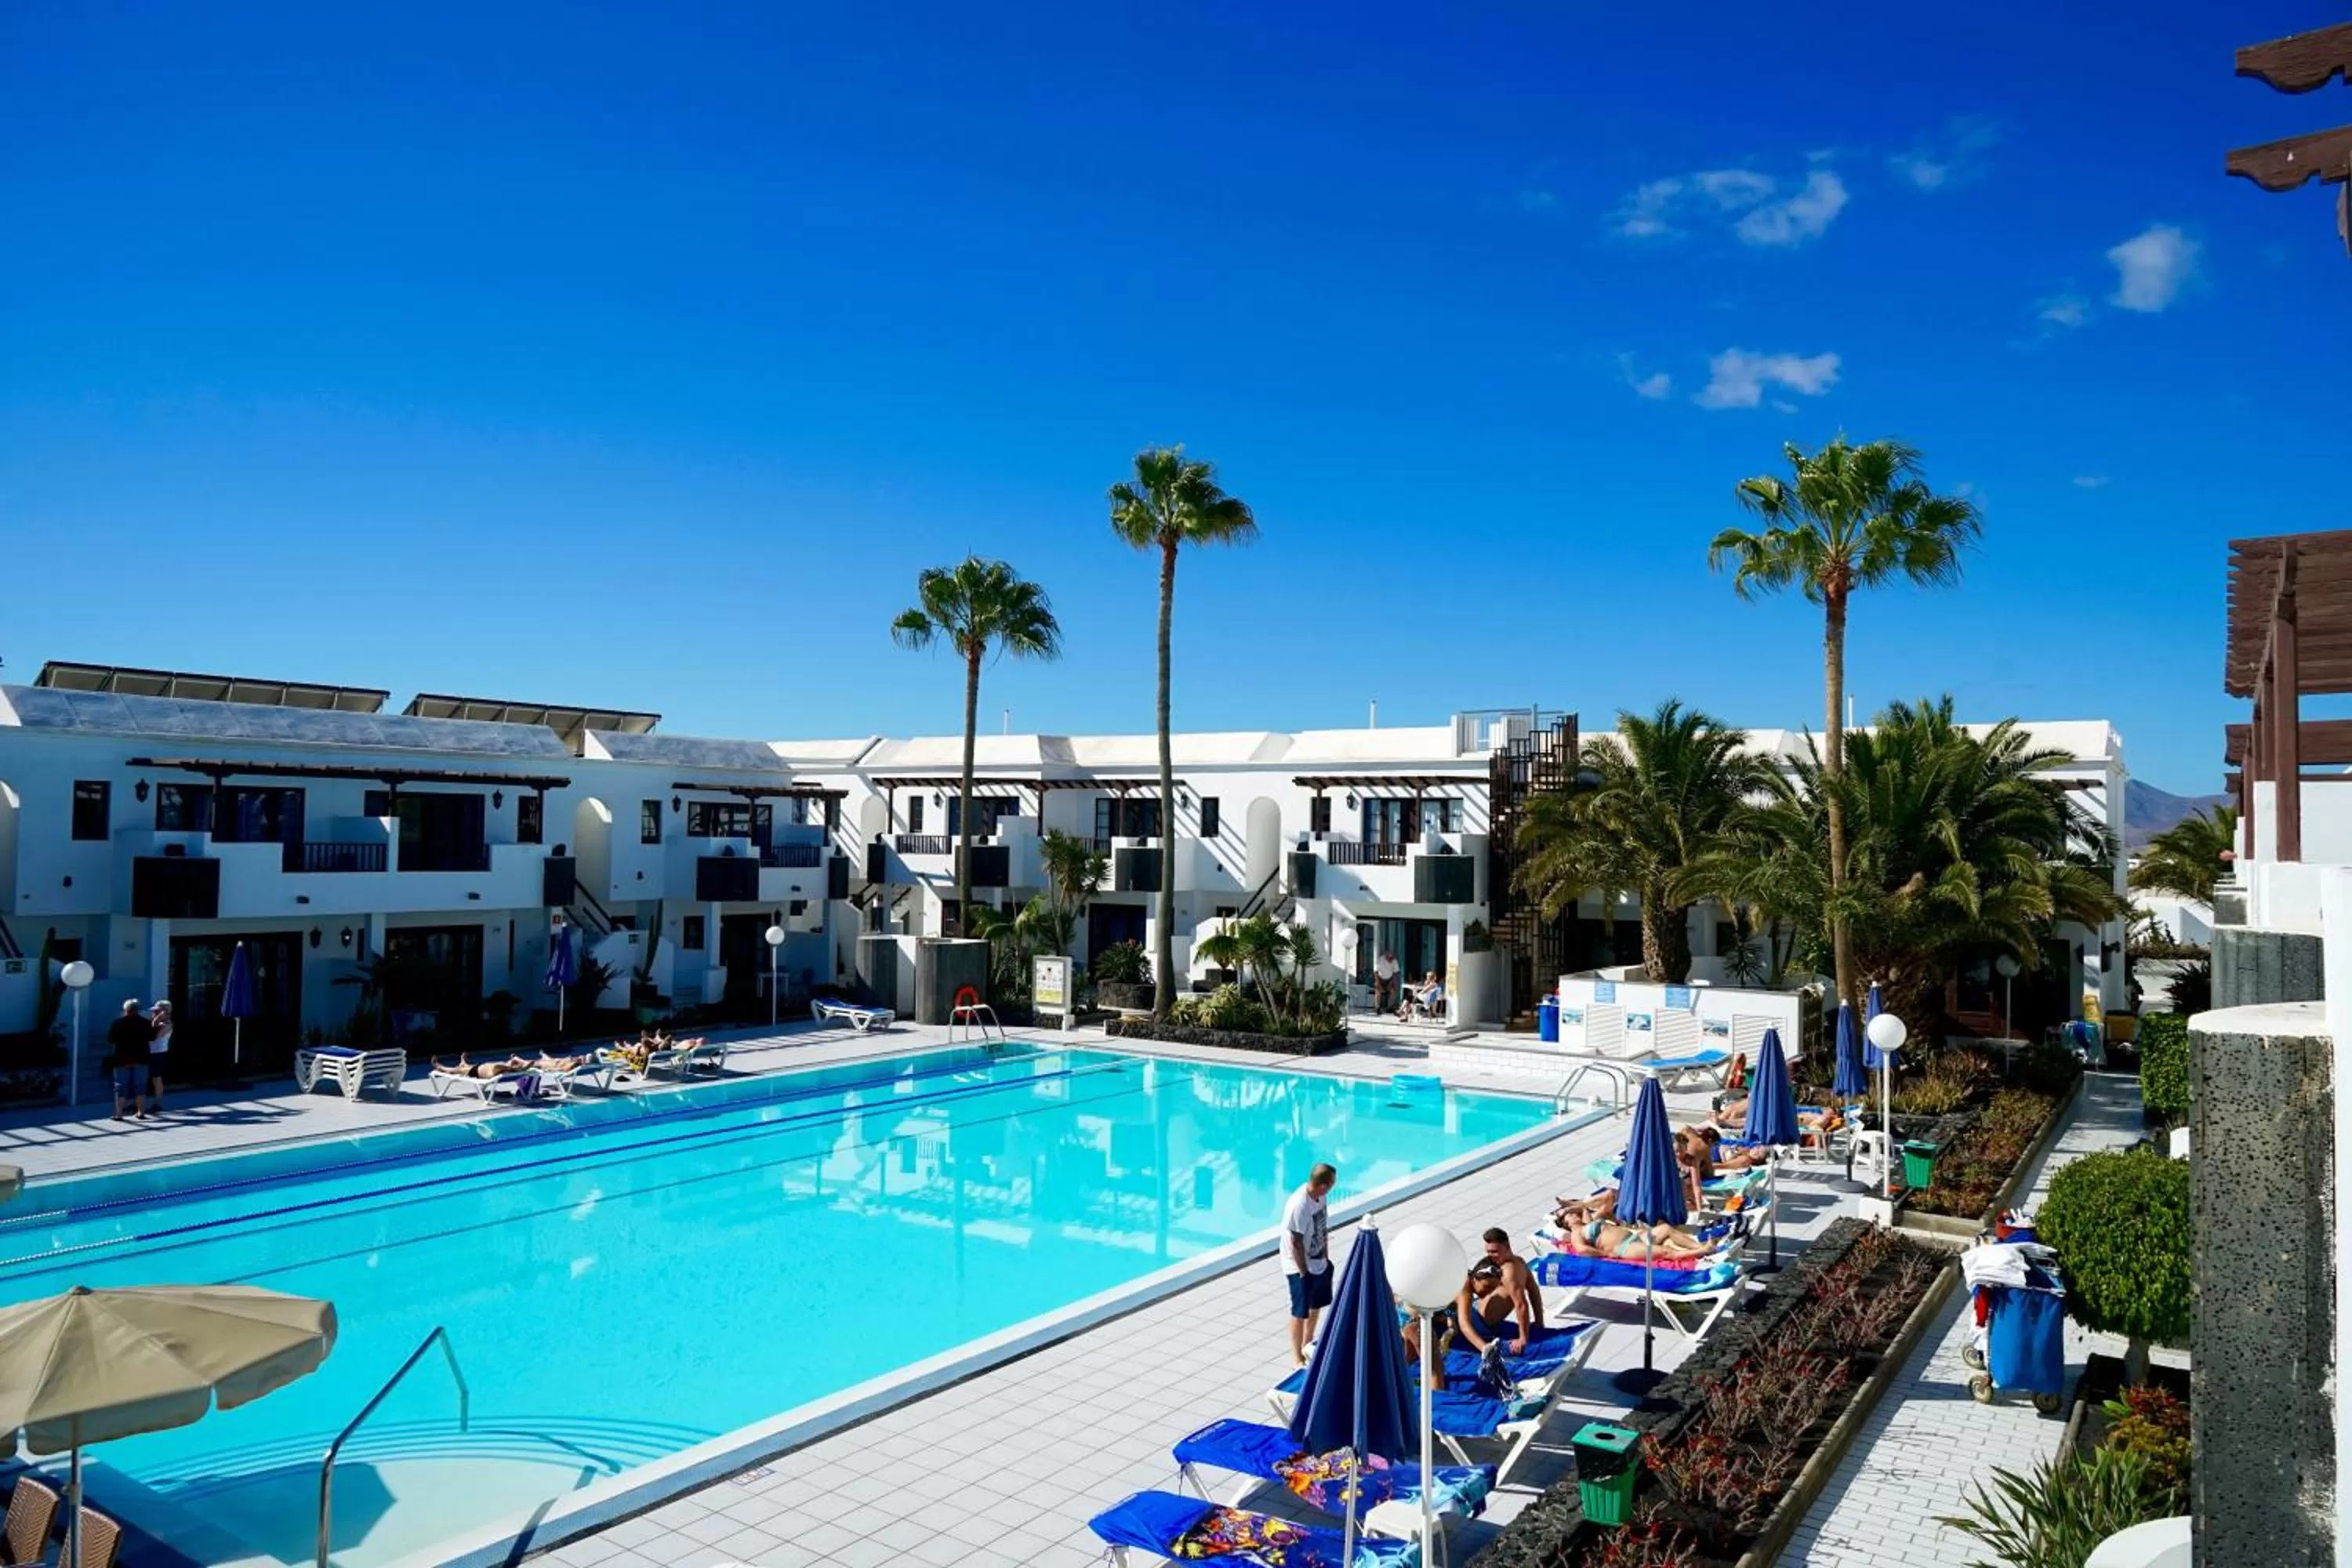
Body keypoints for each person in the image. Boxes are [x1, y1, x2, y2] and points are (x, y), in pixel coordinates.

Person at [1454, 1228, 1542, 1356]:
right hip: (1475, 1318)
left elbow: (1524, 1302)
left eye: (1494, 1251)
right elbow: (1532, 1293)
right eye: (1488, 1252)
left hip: (1481, 1321)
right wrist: (1538, 1322)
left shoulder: (1508, 1272)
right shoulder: (1519, 1262)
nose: (1490, 1255)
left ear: (1507, 1246)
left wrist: (1524, 1338)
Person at [1283, 1163, 1338, 1367]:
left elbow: (1322, 1228)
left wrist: (1325, 1258)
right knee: (1300, 1311)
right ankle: (1297, 1357)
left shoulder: (1321, 1196)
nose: (1333, 1186)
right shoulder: (1299, 1206)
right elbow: (1295, 1242)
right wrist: (1304, 1273)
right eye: (1332, 1182)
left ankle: (1308, 1345)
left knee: (1316, 1307)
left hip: (1319, 1261)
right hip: (1298, 1266)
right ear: (1323, 1185)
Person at [107, 1000, 152, 1122]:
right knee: (141, 1086)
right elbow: (152, 1037)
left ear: (125, 1010)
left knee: (120, 1087)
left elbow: (111, 1039)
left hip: (122, 1059)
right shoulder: (145, 1023)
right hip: (141, 1059)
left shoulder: (118, 1023)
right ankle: (141, 1112)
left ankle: (119, 1113)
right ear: (138, 1010)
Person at [147, 1000, 174, 1112]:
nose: (154, 1013)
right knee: (145, 1077)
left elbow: (155, 1036)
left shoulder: (167, 1024)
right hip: (149, 1052)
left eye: (156, 1011)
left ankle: (157, 1102)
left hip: (159, 1053)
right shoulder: (154, 1022)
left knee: (156, 1078)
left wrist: (156, 1020)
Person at [1372, 949, 1399, 1013]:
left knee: (1393, 991)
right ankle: (1377, 1008)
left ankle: (1390, 1007)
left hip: (1389, 979)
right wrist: (1378, 983)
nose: (1391, 960)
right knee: (1378, 992)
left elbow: (1395, 973)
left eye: (1392, 958)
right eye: (1389, 959)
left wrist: (1392, 983)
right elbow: (1376, 972)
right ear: (1386, 956)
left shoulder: (1394, 961)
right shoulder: (1380, 960)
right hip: (1380, 978)